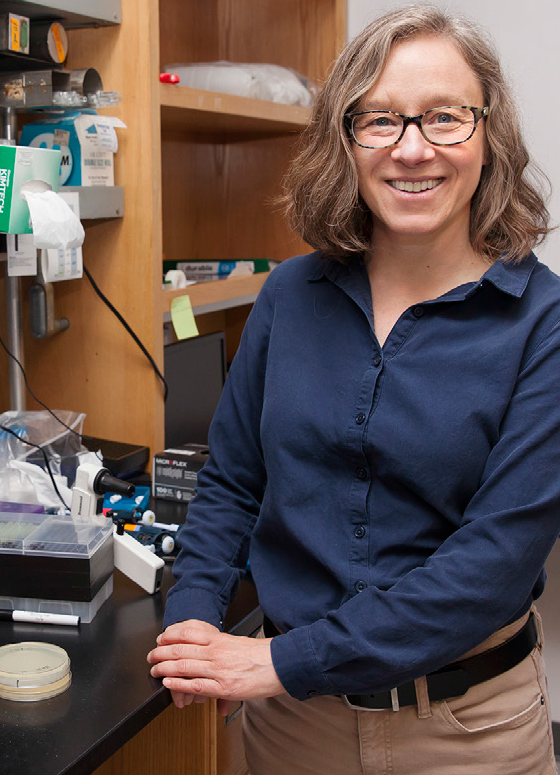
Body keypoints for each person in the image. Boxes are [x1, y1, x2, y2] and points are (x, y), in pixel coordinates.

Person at [146, 6, 558, 774]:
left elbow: (490, 563)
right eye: (379, 120)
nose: (411, 149)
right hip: (292, 728)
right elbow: (233, 482)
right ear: (345, 137)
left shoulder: (543, 325)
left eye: (444, 117)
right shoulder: (289, 295)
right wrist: (192, 620)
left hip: (465, 734)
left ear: (487, 132)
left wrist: (276, 662)